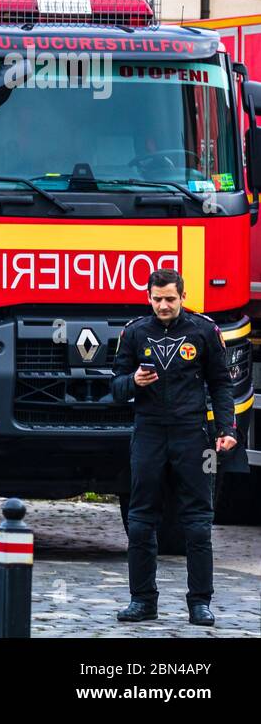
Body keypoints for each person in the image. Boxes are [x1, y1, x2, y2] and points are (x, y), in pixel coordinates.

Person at [110, 268, 239, 626]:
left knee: (198, 523)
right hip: (149, 433)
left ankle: (200, 603)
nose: (163, 305)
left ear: (183, 296)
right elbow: (114, 387)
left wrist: (227, 428)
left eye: (170, 298)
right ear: (148, 297)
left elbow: (221, 385)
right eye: (157, 299)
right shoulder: (135, 332)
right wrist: (133, 381)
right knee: (139, 522)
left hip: (192, 434)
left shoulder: (204, 331)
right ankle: (142, 601)